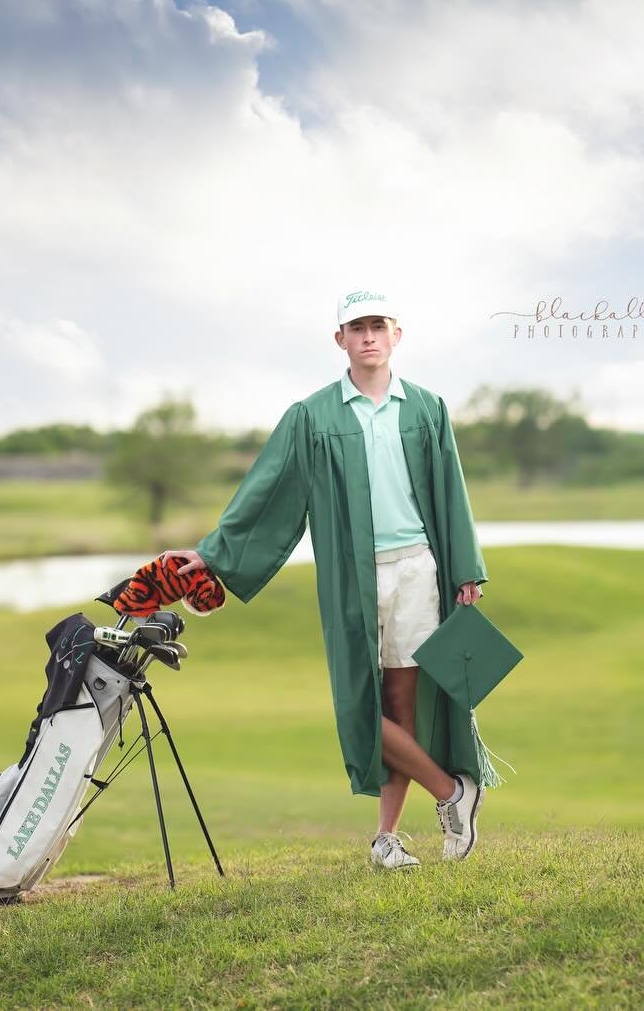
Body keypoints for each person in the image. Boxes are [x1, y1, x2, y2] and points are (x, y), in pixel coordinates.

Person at [162, 287, 503, 870]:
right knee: (358, 705)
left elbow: (452, 487)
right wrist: (215, 552)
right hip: (352, 574)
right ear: (339, 339)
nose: (368, 335)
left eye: (378, 325)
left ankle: (386, 839)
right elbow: (267, 489)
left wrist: (466, 568)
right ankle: (453, 793)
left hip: (419, 568)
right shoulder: (312, 416)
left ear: (397, 334)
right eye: (356, 327)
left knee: (402, 706)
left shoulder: (426, 408)